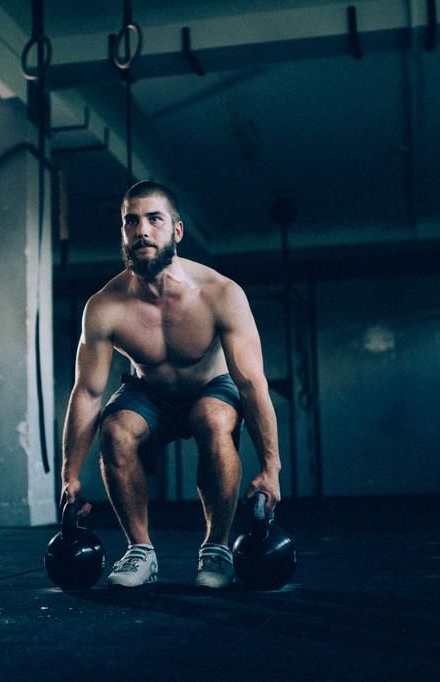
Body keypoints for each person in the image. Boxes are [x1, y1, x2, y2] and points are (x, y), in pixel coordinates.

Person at [59, 180, 282, 589]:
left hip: (210, 386)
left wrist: (271, 467)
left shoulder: (220, 293)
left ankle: (216, 548)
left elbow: (250, 383)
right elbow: (88, 393)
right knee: (115, 430)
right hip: (149, 392)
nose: (142, 230)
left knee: (214, 421)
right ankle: (140, 551)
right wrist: (69, 473)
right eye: (132, 221)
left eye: (154, 219)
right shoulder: (105, 306)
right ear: (123, 232)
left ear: (176, 231)